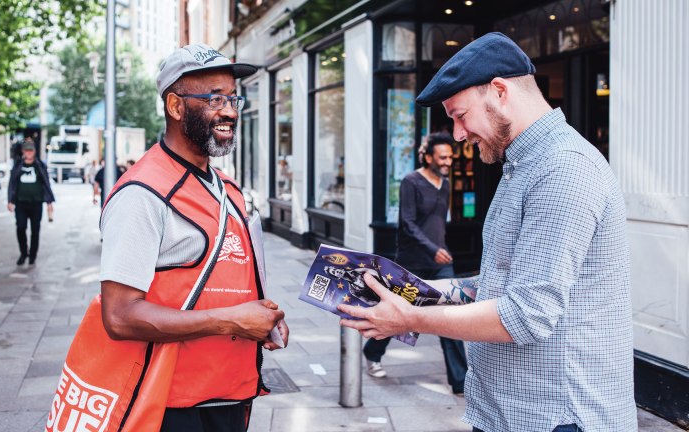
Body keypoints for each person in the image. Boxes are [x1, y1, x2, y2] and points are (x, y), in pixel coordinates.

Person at [338, 32, 636, 432]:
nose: (458, 135)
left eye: (460, 115)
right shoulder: (521, 167)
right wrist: (412, 289)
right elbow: (502, 282)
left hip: (557, 417)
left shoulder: (564, 170)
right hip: (508, 413)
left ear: (499, 91)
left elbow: (526, 315)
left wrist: (409, 318)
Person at [98, 43, 289, 432]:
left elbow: (224, 279)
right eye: (215, 98)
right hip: (172, 404)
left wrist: (260, 319)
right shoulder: (142, 194)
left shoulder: (229, 189)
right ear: (175, 106)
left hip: (232, 392)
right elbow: (118, 316)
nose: (231, 111)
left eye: (233, 98)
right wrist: (232, 321)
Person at [363, 133, 467, 396]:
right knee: (396, 313)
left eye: (450, 157)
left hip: (441, 263)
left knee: (451, 317)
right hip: (413, 262)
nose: (448, 161)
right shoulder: (412, 181)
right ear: (428, 157)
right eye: (442, 157)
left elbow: (438, 223)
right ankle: (372, 353)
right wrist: (433, 249)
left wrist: (441, 248)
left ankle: (460, 381)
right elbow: (407, 224)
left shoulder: (443, 182)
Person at [7, 138, 55, 265]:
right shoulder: (18, 165)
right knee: (20, 228)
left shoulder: (40, 165)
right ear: (23, 151)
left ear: (34, 151)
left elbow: (46, 183)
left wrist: (49, 201)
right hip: (21, 203)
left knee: (35, 230)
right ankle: (24, 253)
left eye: (31, 150)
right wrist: (10, 200)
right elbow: (12, 183)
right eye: (26, 150)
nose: (28, 153)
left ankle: (32, 255)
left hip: (36, 203)